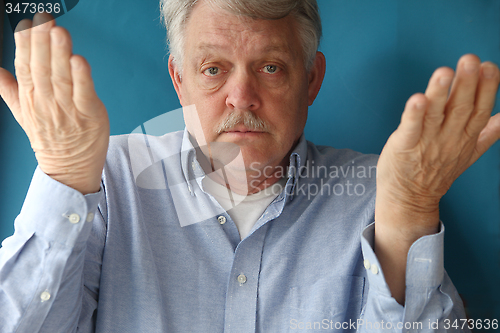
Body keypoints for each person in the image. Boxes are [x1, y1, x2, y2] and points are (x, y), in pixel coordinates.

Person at [0, 0, 499, 332]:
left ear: (311, 79)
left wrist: (409, 213)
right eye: (213, 69)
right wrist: (63, 175)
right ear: (180, 81)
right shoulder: (106, 177)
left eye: (271, 67)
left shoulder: (382, 190)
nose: (242, 97)